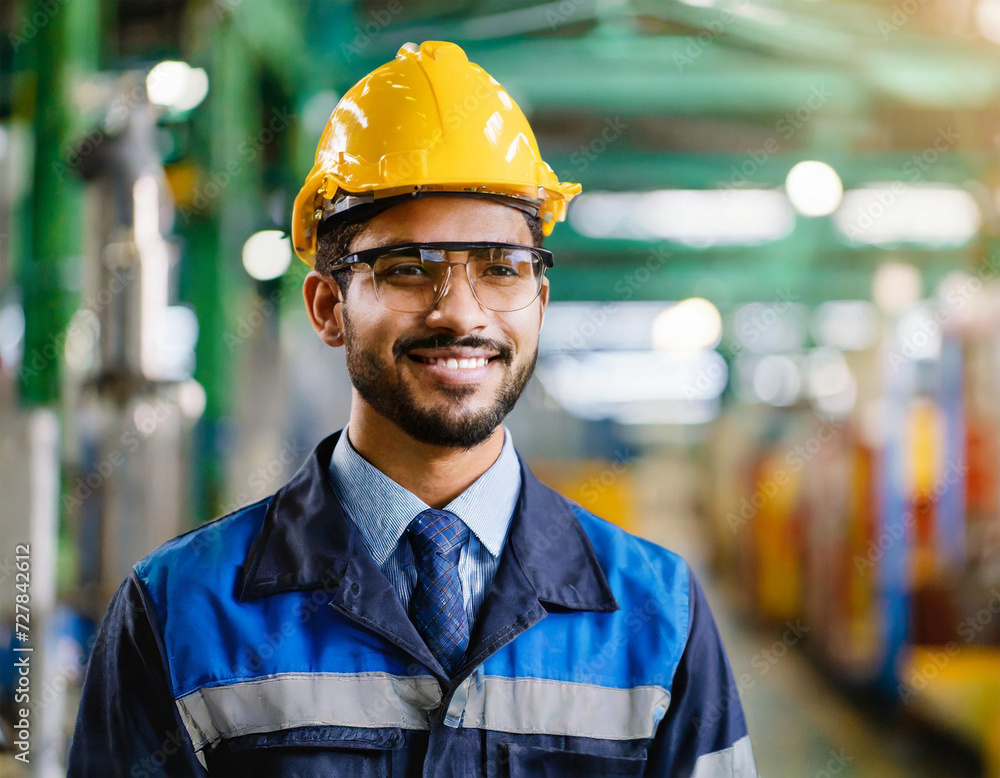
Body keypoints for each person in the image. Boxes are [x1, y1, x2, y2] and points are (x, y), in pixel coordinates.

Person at [68, 40, 757, 777]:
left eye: (501, 269)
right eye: (406, 270)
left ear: (541, 302)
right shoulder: (178, 613)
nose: (460, 314)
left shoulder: (658, 617)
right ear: (328, 306)